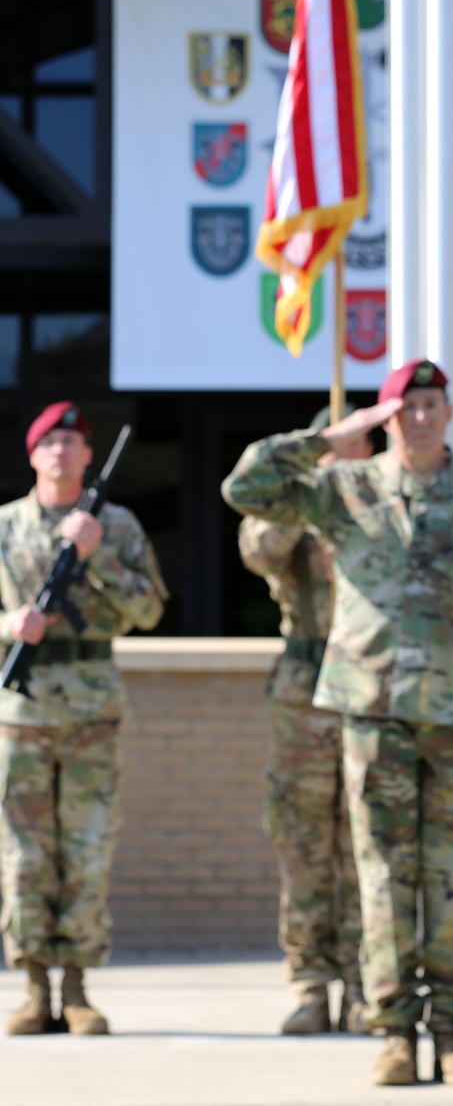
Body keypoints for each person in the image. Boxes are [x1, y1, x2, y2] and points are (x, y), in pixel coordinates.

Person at [223, 361, 453, 1088]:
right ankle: (395, 1031)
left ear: (447, 413)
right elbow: (244, 489)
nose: (423, 418)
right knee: (382, 878)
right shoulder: (346, 487)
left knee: (452, 875)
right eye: (407, 406)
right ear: (386, 417)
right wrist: (328, 439)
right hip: (370, 709)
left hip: (450, 711)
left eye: (433, 404)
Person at [0, 402, 166, 1036]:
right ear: (32, 454)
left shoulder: (115, 525)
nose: (62, 452)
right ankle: (32, 986)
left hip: (93, 710)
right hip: (23, 712)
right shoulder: (8, 526)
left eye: (73, 441)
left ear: (88, 457)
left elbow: (149, 610)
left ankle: (76, 989)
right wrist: (11, 623)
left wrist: (96, 559)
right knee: (24, 854)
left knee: (88, 849)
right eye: (50, 442)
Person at [237, 404, 373, 1036]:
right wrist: (309, 498)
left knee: (367, 841)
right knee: (306, 841)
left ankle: (367, 984)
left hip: (370, 683)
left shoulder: (381, 502)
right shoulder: (294, 505)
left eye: (360, 443)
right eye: (342, 444)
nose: (353, 453)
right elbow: (259, 550)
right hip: (305, 688)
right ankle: (312, 984)